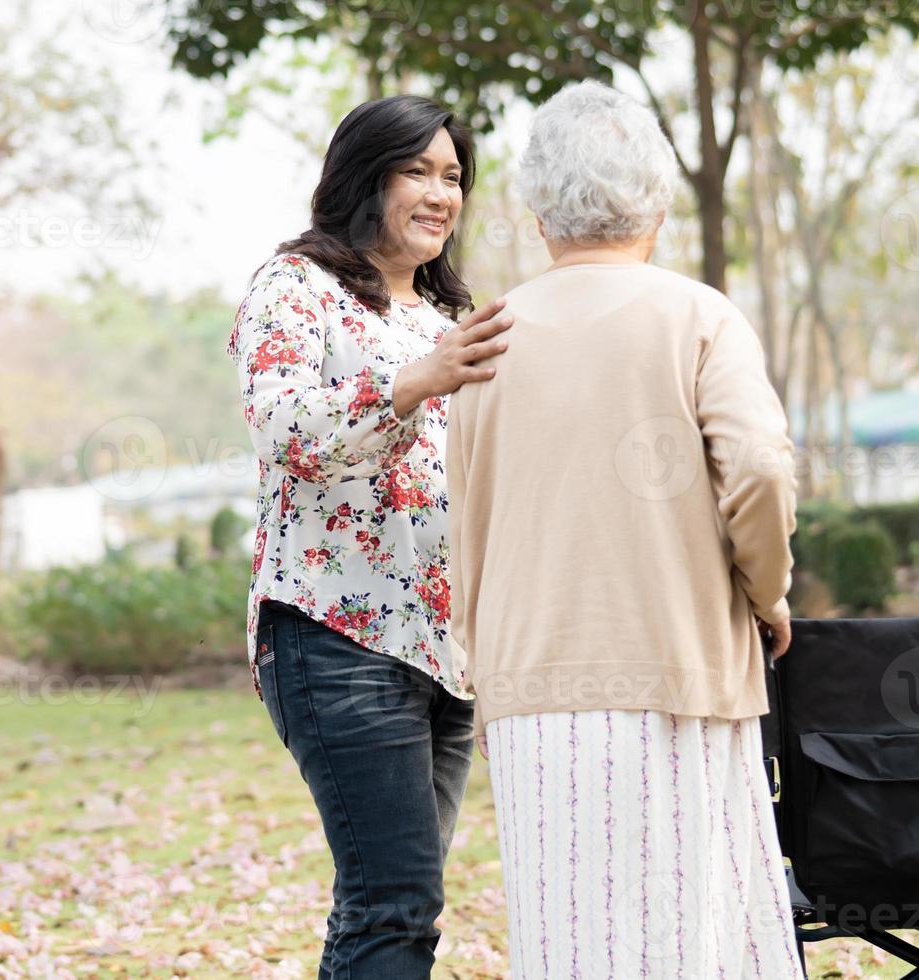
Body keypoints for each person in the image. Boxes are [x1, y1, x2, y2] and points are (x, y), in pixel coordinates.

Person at [446, 80, 801, 978]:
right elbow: (758, 466)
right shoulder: (699, 316)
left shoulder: (485, 337)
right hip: (677, 672)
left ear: (537, 212)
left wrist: (481, 664)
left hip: (530, 684)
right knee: (696, 941)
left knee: (570, 945)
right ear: (659, 200)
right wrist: (767, 591)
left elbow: (468, 521)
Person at [226, 94, 513, 978]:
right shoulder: (295, 285)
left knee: (396, 905)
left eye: (453, 176)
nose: (440, 193)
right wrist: (415, 382)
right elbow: (283, 429)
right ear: (365, 176)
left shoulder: (443, 317)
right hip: (333, 636)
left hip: (444, 649)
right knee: (394, 901)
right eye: (417, 171)